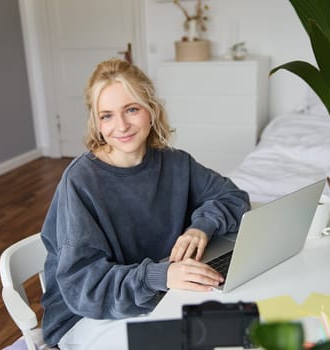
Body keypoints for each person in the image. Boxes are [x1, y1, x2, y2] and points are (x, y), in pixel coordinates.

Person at [40, 58, 250, 349]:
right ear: (96, 123)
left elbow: (233, 197)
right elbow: (83, 288)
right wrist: (159, 275)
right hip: (87, 316)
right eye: (107, 116)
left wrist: (200, 228)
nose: (121, 125)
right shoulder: (81, 181)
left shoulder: (176, 163)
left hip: (158, 293)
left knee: (238, 326)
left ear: (151, 110)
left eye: (131, 109)